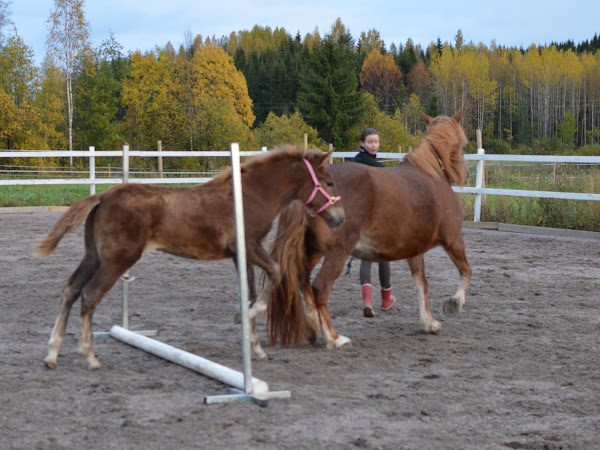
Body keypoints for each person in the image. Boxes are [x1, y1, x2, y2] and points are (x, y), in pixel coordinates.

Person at [350, 128, 396, 317]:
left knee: (367, 257)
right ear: (362, 143)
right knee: (383, 256)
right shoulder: (379, 168)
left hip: (359, 216)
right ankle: (386, 299)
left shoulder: (352, 164)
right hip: (377, 216)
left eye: (376, 142)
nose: (373, 145)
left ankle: (368, 302)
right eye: (370, 142)